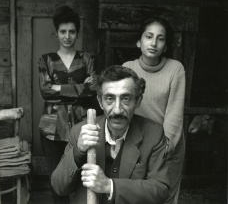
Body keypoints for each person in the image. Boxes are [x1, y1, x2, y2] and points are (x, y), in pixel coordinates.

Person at [51, 65, 169, 204]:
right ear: (100, 102)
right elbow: (59, 187)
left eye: (126, 98)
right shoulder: (80, 132)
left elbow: (161, 190)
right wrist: (78, 151)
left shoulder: (153, 133)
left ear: (138, 101)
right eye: (110, 99)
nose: (117, 110)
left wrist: (109, 186)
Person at [123, 17, 186, 204]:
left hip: (168, 145)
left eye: (160, 39)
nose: (154, 43)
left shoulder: (175, 69)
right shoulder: (128, 69)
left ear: (166, 46)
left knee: (164, 197)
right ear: (138, 41)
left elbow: (174, 111)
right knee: (136, 196)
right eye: (149, 36)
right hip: (136, 145)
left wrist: (164, 148)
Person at [38, 5, 96, 204]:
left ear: (77, 33)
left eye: (72, 31)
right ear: (56, 33)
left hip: (81, 125)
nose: (67, 36)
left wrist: (57, 88)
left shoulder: (87, 59)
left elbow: (92, 90)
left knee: (83, 174)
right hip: (51, 127)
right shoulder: (46, 60)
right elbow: (45, 92)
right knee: (57, 177)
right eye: (63, 31)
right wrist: (80, 88)